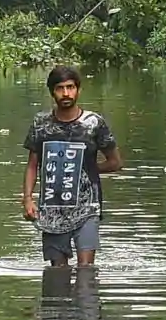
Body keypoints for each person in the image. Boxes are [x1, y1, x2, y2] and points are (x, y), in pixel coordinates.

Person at [22, 66, 123, 267]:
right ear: (52, 92)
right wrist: (27, 199)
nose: (66, 93)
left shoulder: (93, 123)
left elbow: (115, 162)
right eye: (60, 88)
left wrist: (84, 168)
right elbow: (33, 164)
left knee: (86, 271)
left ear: (78, 90)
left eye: (70, 87)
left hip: (87, 207)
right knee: (57, 272)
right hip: (52, 208)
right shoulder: (41, 124)